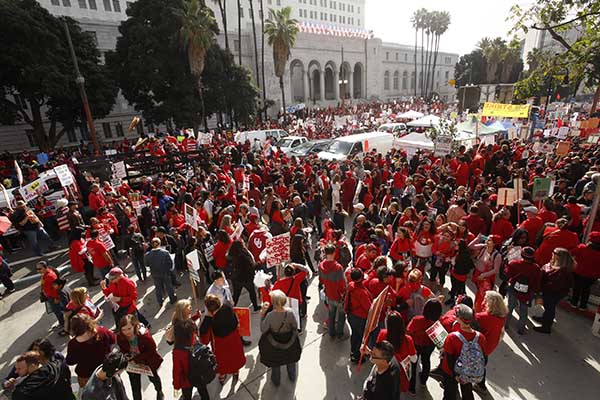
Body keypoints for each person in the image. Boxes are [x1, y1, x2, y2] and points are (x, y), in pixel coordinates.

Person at [440, 304, 488, 400]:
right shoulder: (480, 337)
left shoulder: (452, 337)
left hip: (451, 372)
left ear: (459, 319)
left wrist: (456, 375)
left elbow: (449, 359)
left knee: (450, 394)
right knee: (467, 392)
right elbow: (484, 358)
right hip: (469, 372)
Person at [199, 294, 246, 384]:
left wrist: (205, 319)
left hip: (220, 345)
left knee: (222, 362)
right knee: (234, 357)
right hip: (234, 340)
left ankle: (222, 375)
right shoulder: (227, 306)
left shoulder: (209, 319)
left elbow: (203, 336)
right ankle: (235, 372)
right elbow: (236, 321)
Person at [117, 314, 164, 400]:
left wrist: (137, 359)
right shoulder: (120, 337)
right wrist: (128, 357)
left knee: (154, 379)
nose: (127, 332)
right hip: (132, 363)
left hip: (147, 362)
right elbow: (122, 349)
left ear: (135, 326)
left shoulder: (144, 335)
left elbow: (152, 349)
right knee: (135, 386)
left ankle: (159, 391)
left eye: (129, 328)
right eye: (123, 330)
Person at [259, 289, 301, 386]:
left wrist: (262, 315)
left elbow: (263, 329)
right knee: (291, 360)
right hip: (290, 342)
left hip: (275, 344)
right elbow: (295, 326)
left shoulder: (270, 315)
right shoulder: (290, 312)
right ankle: (292, 377)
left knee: (276, 364)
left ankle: (276, 381)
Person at [66, 314, 116, 390]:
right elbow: (113, 340)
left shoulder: (73, 344)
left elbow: (70, 361)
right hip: (105, 370)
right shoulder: (102, 331)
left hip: (86, 376)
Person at [372, 312, 417, 396]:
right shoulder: (408, 339)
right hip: (401, 371)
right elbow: (414, 359)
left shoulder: (382, 333)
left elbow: (377, 350)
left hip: (384, 367)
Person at [534, 248, 575, 334]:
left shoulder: (562, 272)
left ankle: (546, 326)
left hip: (552, 293)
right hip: (550, 292)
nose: (552, 254)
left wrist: (543, 288)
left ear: (560, 257)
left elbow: (554, 285)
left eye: (554, 253)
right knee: (547, 307)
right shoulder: (556, 265)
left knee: (550, 308)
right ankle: (544, 318)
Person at [474, 290, 508, 394]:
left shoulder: (482, 317)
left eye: (485, 300)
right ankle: (481, 385)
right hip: (490, 346)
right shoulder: (501, 316)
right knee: (482, 364)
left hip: (481, 347)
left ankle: (480, 385)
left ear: (491, 303)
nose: (483, 302)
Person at [407, 298, 443, 394]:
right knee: (426, 362)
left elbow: (409, 331)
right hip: (429, 346)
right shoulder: (437, 323)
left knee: (413, 365)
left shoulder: (417, 320)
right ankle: (423, 380)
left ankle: (412, 388)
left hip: (416, 345)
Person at [504, 247, 541, 335]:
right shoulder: (536, 268)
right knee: (523, 310)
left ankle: (505, 324)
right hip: (527, 292)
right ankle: (521, 329)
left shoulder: (514, 264)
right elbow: (537, 282)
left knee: (510, 307)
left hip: (513, 289)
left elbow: (507, 274)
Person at [173, 319, 210, 400]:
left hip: (186, 381)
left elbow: (177, 370)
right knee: (204, 393)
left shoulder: (177, 351)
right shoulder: (196, 341)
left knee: (187, 396)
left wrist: (176, 385)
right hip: (199, 375)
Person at [319, 245, 348, 340]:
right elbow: (341, 284)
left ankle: (331, 333)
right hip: (339, 296)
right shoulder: (338, 267)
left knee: (331, 314)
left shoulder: (321, 265)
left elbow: (321, 280)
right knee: (341, 316)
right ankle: (339, 333)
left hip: (329, 294)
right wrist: (343, 293)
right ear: (334, 253)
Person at [345, 268, 373, 363]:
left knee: (355, 335)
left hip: (351, 315)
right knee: (359, 336)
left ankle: (353, 352)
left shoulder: (350, 285)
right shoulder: (361, 292)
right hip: (360, 318)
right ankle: (356, 356)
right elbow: (369, 308)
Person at [36, 261, 68, 336]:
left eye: (39, 269)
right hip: (50, 296)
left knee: (57, 310)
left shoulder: (50, 276)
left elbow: (56, 288)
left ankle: (62, 323)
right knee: (58, 309)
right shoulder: (47, 273)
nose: (38, 271)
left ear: (45, 267)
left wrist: (56, 297)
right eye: (37, 269)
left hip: (53, 297)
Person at [570, 231, 600, 310]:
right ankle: (583, 305)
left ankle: (574, 302)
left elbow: (571, 252)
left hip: (578, 272)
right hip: (592, 276)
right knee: (586, 289)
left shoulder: (582, 248)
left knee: (577, 287)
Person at [227, 240, 260, 311]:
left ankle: (231, 308)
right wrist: (259, 263)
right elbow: (251, 267)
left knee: (236, 295)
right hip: (246, 278)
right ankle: (255, 306)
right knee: (252, 292)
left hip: (236, 279)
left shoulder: (231, 255)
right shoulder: (243, 256)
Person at [145, 237, 177, 305]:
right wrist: (169, 269)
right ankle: (172, 298)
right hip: (165, 272)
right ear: (159, 244)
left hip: (155, 273)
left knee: (158, 288)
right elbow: (170, 263)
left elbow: (147, 264)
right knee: (169, 286)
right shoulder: (165, 253)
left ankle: (160, 301)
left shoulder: (148, 254)